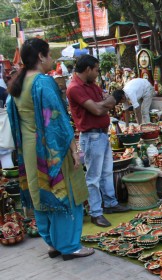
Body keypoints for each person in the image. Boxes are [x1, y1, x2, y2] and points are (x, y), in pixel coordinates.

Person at [6, 38, 93, 260]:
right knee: (66, 194)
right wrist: (73, 149)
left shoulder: (18, 82)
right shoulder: (43, 82)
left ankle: (53, 244)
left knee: (41, 195)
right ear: (40, 57)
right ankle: (70, 246)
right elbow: (58, 120)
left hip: (29, 151)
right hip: (51, 150)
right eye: (49, 55)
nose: (52, 59)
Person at [67, 54, 129, 228]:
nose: (97, 73)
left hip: (100, 134)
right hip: (91, 135)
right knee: (93, 177)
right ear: (88, 69)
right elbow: (98, 109)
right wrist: (113, 99)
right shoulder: (74, 87)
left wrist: (108, 101)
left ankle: (110, 203)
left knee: (106, 172)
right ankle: (96, 213)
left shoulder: (90, 85)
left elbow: (104, 103)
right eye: (96, 70)